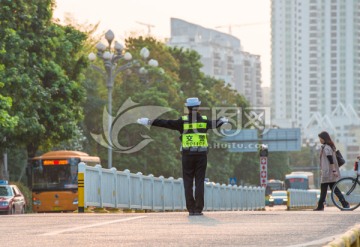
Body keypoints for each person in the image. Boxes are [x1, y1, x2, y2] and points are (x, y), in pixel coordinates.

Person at [137, 97, 228, 216]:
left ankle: (191, 209)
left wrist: (149, 121)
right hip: (201, 155)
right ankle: (198, 209)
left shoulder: (182, 121)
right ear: (198, 107)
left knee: (188, 182)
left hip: (187, 156)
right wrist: (222, 120)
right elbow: (215, 123)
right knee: (200, 181)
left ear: (188, 108)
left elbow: (166, 123)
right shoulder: (205, 121)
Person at [313, 131, 349, 211]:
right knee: (333, 189)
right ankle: (344, 204)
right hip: (328, 172)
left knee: (325, 190)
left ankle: (320, 206)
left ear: (324, 138)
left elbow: (330, 160)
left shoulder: (326, 147)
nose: (320, 140)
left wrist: (333, 170)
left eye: (320, 138)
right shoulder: (329, 146)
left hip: (328, 172)